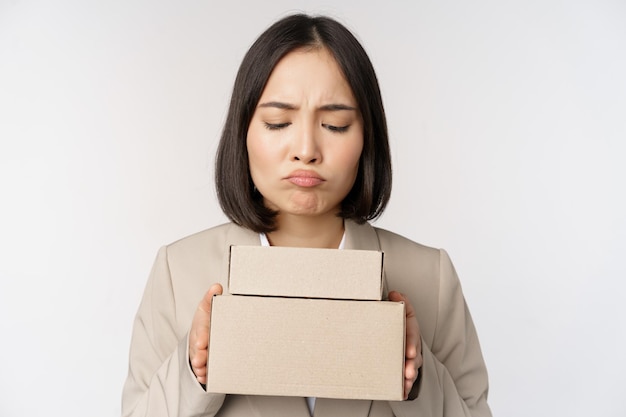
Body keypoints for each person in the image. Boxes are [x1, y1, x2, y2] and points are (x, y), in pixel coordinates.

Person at [121, 13, 491, 417]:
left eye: (335, 125)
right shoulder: (179, 271)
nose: (306, 149)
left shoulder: (429, 276)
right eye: (278, 122)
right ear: (243, 131)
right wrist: (193, 370)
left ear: (367, 137)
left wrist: (418, 377)